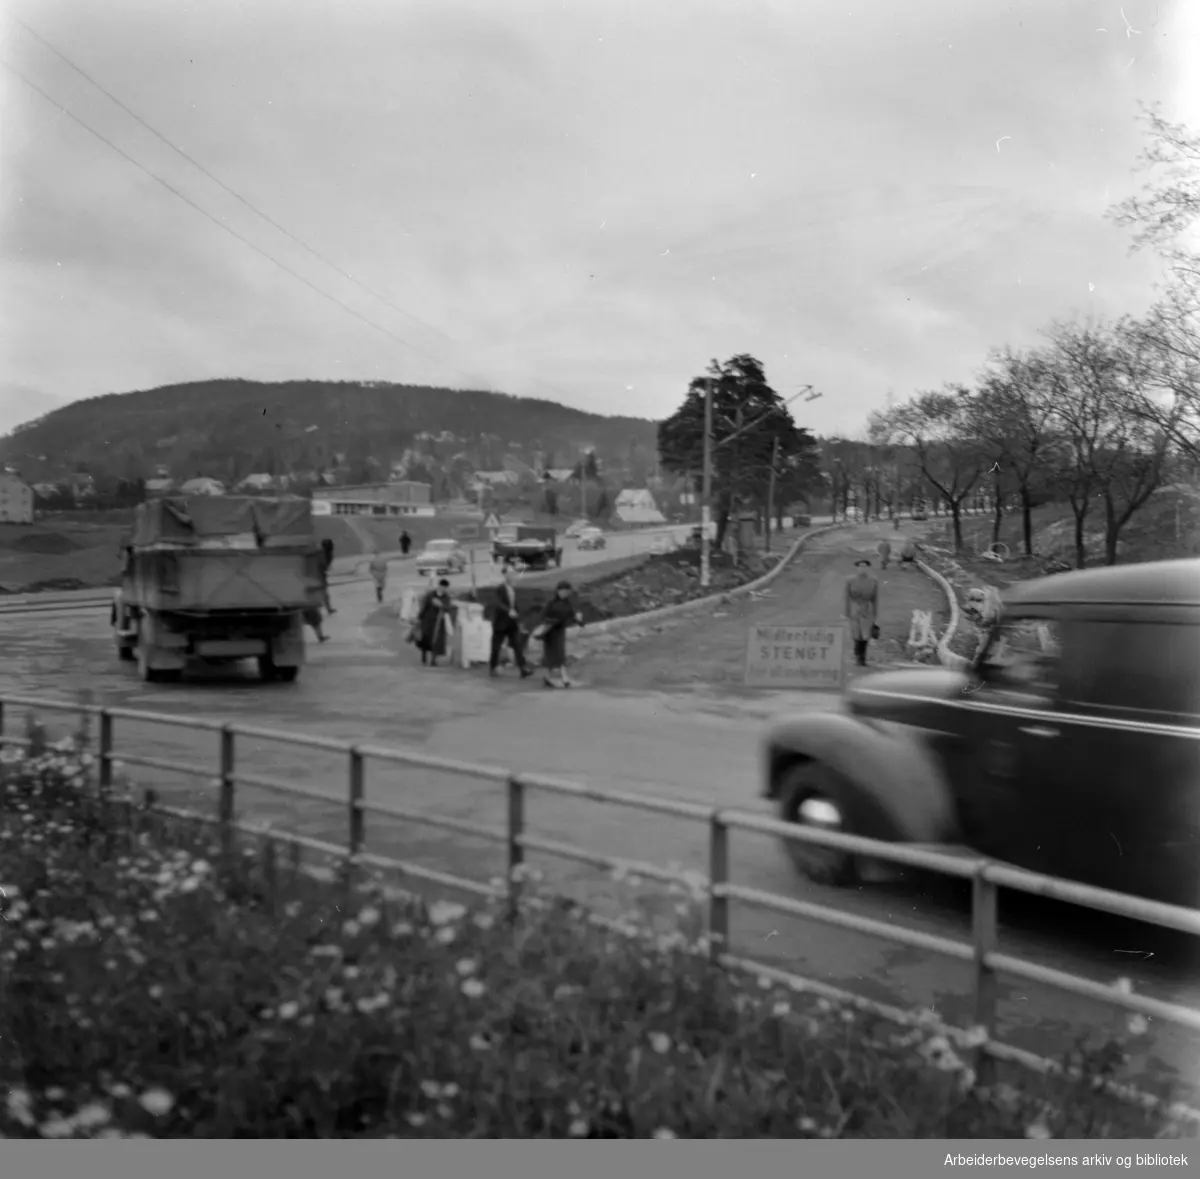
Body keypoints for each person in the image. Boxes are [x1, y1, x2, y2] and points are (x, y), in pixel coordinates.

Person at [535, 580, 584, 688]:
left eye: (567, 591)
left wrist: (579, 621)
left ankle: (564, 677)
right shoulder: (551, 603)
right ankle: (548, 677)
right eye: (563, 591)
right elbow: (542, 616)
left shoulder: (568, 604)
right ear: (558, 591)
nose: (565, 593)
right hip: (549, 631)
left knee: (560, 653)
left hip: (560, 631)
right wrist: (549, 622)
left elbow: (571, 617)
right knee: (550, 655)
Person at [489, 565, 533, 679]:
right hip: (500, 622)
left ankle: (523, 668)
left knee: (517, 645)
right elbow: (497, 603)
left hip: (511, 623)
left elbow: (514, 605)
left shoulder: (513, 588)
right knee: (496, 646)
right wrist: (508, 611)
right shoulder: (500, 588)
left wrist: (518, 617)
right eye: (509, 573)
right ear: (504, 575)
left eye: (513, 573)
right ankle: (493, 667)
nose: (512, 575)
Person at [845, 557, 880, 668]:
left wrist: (875, 613)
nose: (862, 569)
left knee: (866, 635)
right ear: (857, 568)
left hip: (867, 609)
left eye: (864, 567)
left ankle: (862, 657)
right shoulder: (850, 580)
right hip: (855, 609)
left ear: (868, 568)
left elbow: (875, 598)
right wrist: (847, 612)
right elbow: (847, 597)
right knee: (856, 635)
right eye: (860, 566)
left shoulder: (873, 580)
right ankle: (857, 655)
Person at [416, 578, 455, 667]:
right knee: (426, 639)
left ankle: (433, 659)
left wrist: (441, 605)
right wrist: (419, 617)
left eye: (445, 588)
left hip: (438, 621)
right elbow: (424, 607)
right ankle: (424, 655)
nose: (443, 589)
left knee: (437, 641)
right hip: (428, 620)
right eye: (442, 587)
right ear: (439, 586)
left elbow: (448, 608)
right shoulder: (430, 595)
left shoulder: (446, 597)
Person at [319, 538, 336, 613]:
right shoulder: (328, 555)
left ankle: (328, 608)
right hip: (319, 576)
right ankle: (328, 608)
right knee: (324, 594)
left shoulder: (320, 553)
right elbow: (325, 566)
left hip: (318, 575)